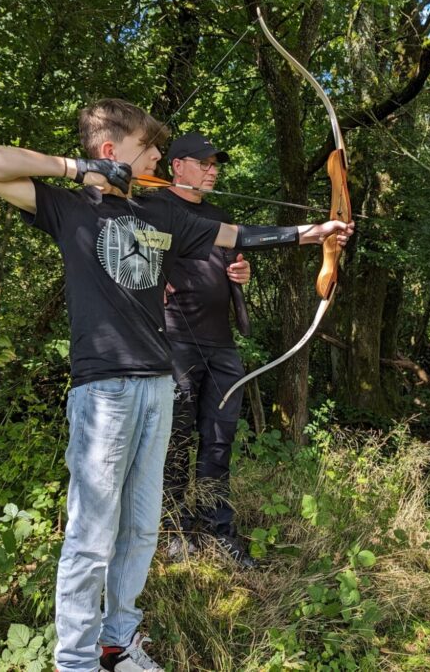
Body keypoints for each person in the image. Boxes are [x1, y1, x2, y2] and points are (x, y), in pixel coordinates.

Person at [0, 98, 354, 672]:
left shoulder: (161, 217)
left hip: (156, 384)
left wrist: (313, 232)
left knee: (141, 531)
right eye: (149, 153)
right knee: (93, 535)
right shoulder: (68, 210)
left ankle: (119, 643)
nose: (156, 163)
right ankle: (76, 661)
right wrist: (74, 169)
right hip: (103, 392)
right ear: (113, 153)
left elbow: (238, 233)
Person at [154, 132, 256, 568]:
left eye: (216, 164)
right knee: (175, 439)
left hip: (221, 344)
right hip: (175, 341)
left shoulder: (220, 218)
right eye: (205, 163)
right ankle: (173, 531)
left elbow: (231, 264)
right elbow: (129, 257)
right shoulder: (156, 210)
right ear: (177, 165)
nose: (213, 170)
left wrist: (242, 272)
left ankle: (217, 531)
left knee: (219, 440)